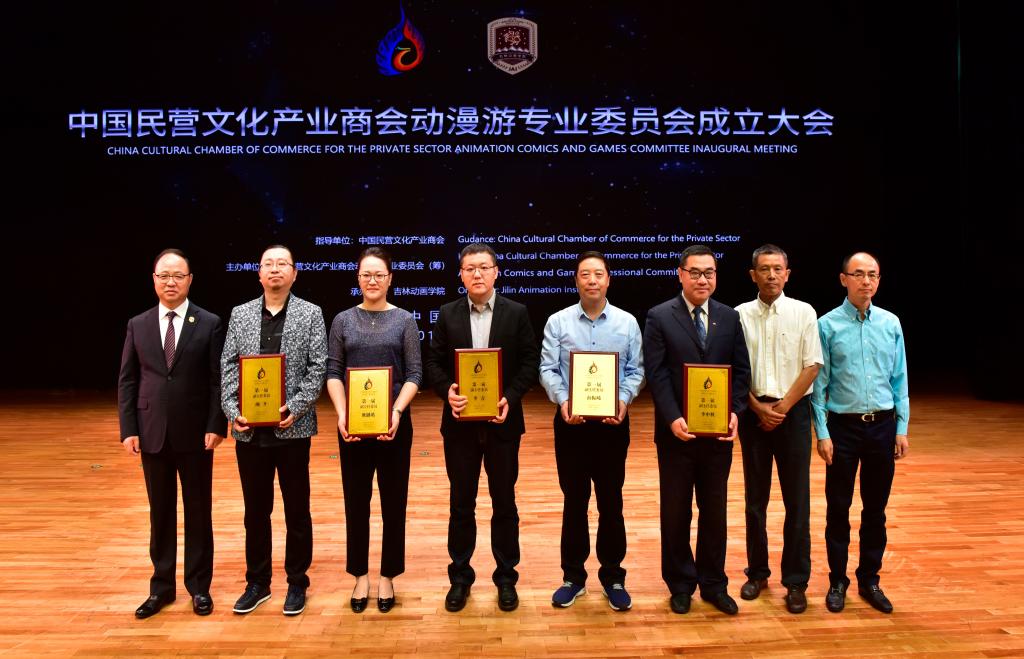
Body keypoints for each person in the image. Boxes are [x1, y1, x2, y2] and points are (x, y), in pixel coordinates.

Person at [424, 242, 540, 613]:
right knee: (461, 504)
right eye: (470, 268)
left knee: (504, 503)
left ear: (496, 272)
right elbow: (433, 363)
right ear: (461, 274)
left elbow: (530, 362)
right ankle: (460, 577)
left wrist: (510, 397)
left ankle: (506, 578)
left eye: (484, 267)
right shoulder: (447, 313)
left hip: (503, 424)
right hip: (459, 426)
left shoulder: (516, 312)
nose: (477, 274)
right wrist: (447, 391)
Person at [642, 244, 751, 616]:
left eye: (709, 273)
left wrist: (735, 412)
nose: (702, 279)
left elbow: (741, 372)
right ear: (680, 274)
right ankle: (680, 584)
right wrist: (672, 418)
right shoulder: (659, 316)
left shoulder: (730, 317)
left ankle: (714, 583)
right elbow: (657, 373)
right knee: (676, 512)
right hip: (676, 434)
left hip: (718, 434)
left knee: (714, 511)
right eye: (695, 272)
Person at [118, 248, 226, 619]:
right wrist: (129, 428)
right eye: (164, 275)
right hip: (151, 432)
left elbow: (217, 380)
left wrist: (216, 424)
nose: (170, 282)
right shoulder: (138, 324)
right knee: (160, 513)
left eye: (178, 275)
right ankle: (161, 587)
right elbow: (128, 380)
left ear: (190, 280)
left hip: (196, 434)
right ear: (154, 280)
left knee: (198, 512)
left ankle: (199, 587)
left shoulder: (209, 322)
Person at [220, 245, 327, 616]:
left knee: (297, 510)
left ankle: (297, 581)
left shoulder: (311, 313)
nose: (275, 270)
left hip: (292, 429)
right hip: (249, 432)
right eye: (269, 264)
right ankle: (258, 582)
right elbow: (228, 366)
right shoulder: (240, 314)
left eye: (283, 264)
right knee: (255, 511)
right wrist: (234, 411)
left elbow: (318, 368)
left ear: (294, 273)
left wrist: (295, 408)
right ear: (259, 273)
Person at [539, 251, 644, 611]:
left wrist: (624, 400)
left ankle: (613, 577)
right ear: (576, 280)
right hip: (572, 425)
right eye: (585, 274)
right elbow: (547, 369)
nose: (592, 280)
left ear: (608, 279)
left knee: (611, 502)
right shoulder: (558, 322)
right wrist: (563, 400)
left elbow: (636, 370)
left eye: (599, 274)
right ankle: (573, 578)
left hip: (613, 426)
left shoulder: (627, 323)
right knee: (575, 501)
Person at [325, 247, 422, 614]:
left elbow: (415, 374)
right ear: (358, 278)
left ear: (390, 279)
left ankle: (388, 577)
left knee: (394, 503)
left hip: (394, 425)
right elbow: (334, 372)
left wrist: (396, 411)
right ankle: (360, 576)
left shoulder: (404, 320)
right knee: (356, 503)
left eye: (379, 274)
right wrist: (342, 414)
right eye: (366, 274)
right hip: (353, 426)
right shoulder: (343, 320)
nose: (372, 280)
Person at [811, 251, 909, 615]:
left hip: (882, 427)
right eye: (858, 274)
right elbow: (819, 386)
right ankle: (838, 580)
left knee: (875, 509)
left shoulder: (891, 323)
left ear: (879, 280)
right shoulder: (827, 325)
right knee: (838, 508)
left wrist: (901, 427)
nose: (866, 281)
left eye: (873, 275)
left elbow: (900, 379)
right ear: (843, 279)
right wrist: (822, 433)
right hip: (843, 428)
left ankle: (870, 579)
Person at [735, 244, 822, 614]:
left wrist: (783, 407)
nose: (771, 275)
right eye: (764, 269)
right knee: (755, 500)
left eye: (777, 269)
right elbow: (734, 369)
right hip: (754, 415)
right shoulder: (739, 315)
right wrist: (757, 407)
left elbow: (812, 365)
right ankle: (757, 572)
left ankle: (796, 581)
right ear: (752, 274)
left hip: (793, 414)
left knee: (797, 500)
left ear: (787, 274)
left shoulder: (804, 312)